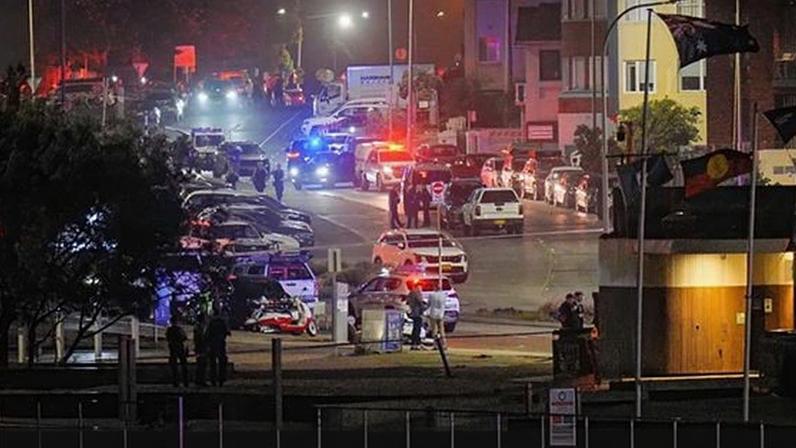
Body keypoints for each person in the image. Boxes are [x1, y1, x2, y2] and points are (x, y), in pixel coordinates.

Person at [206, 308, 230, 387]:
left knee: (213, 363)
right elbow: (227, 332)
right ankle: (221, 380)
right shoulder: (222, 322)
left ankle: (213, 380)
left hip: (212, 344)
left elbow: (207, 334)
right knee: (221, 363)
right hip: (221, 344)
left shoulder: (211, 323)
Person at [166, 317, 189, 387]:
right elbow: (185, 339)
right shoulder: (180, 330)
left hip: (173, 349)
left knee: (174, 367)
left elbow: (168, 339)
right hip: (180, 349)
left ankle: (176, 382)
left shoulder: (169, 330)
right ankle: (185, 382)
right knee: (184, 366)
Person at [407, 283, 425, 350]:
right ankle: (417, 343)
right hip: (417, 313)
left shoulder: (411, 292)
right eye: (420, 287)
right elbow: (420, 301)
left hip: (413, 312)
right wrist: (424, 308)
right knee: (417, 328)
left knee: (415, 328)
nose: (421, 289)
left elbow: (408, 301)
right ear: (418, 287)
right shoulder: (417, 293)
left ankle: (413, 343)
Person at [193, 314, 208, 387]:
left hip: (200, 348)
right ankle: (200, 380)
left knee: (201, 364)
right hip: (201, 348)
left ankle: (200, 380)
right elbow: (200, 338)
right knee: (201, 364)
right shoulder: (199, 328)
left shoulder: (198, 327)